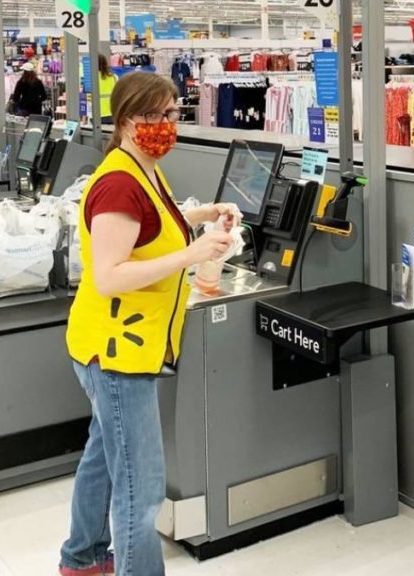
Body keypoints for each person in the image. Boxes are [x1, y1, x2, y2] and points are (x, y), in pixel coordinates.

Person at [59, 72, 239, 576]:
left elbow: (152, 224)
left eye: (170, 113)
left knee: (103, 456)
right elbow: (110, 276)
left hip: (112, 345)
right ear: (124, 120)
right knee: (141, 486)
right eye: (152, 116)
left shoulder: (142, 169)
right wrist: (191, 255)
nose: (164, 125)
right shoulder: (118, 183)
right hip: (118, 353)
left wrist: (201, 215)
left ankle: (81, 558)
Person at [98, 54, 117, 124]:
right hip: (112, 115)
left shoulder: (91, 78)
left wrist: (84, 120)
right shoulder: (114, 77)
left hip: (96, 116)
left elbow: (86, 100)